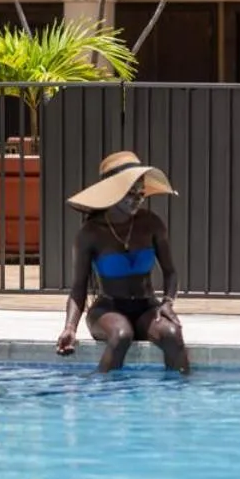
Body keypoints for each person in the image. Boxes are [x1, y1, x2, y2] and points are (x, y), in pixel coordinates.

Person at [57, 151, 189, 374]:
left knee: (173, 335)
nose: (137, 198)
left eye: (141, 192)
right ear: (112, 193)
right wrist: (70, 328)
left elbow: (171, 272)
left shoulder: (152, 224)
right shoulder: (90, 234)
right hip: (108, 310)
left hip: (147, 308)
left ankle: (177, 399)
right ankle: (102, 395)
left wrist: (167, 302)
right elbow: (78, 288)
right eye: (130, 192)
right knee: (121, 335)